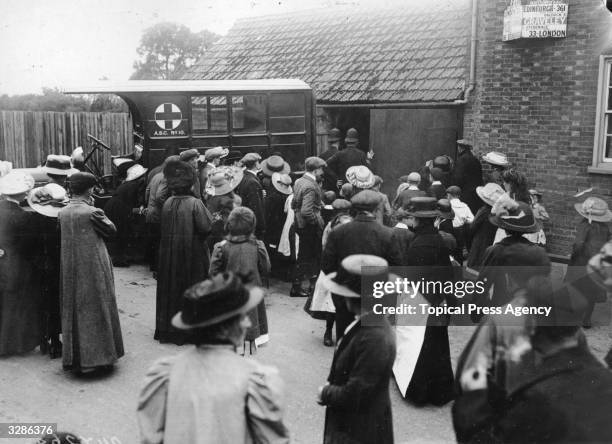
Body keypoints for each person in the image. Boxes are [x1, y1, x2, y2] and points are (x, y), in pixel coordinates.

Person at [138, 273, 290, 444]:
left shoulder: (164, 374)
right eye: (242, 317)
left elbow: (151, 438)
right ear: (226, 328)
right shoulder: (254, 380)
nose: (247, 323)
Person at [318, 255, 396, 444]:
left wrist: (326, 393)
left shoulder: (373, 337)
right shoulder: (367, 322)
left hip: (359, 431)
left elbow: (357, 392)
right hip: (356, 424)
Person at [59, 172, 124, 372]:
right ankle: (100, 357)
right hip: (93, 264)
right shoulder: (92, 212)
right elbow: (112, 231)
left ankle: (77, 357)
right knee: (97, 304)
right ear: (89, 189)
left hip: (70, 265)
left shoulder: (63, 212)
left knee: (75, 306)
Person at [394, 196, 455, 406]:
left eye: (412, 218)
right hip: (436, 300)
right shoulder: (438, 240)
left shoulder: (419, 244)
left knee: (419, 345)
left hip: (422, 301)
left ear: (418, 220)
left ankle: (418, 391)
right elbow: (447, 274)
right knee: (436, 345)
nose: (410, 221)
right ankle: (439, 392)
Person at [321, 190, 402, 340]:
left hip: (344, 295)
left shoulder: (339, 232)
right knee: (371, 342)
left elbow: (327, 265)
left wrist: (341, 284)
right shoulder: (387, 234)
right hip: (375, 296)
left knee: (344, 338)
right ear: (377, 209)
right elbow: (396, 269)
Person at [155, 160, 212, 344]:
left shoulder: (168, 203)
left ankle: (169, 329)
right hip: (192, 254)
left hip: (169, 253)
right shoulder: (195, 203)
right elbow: (205, 227)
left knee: (172, 289)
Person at [210, 207, 271, 350]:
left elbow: (213, 273)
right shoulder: (258, 246)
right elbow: (266, 268)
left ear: (230, 225)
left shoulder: (221, 247)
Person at [474, 197, 541, 322]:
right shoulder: (537, 251)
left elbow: (483, 283)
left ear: (503, 227)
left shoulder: (494, 251)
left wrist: (477, 310)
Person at [0, 171, 43, 356]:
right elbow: (30, 246)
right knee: (16, 303)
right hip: (17, 263)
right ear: (23, 194)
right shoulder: (25, 217)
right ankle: (12, 344)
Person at [28, 183, 69, 359]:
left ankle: (45, 337)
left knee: (43, 302)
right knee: (56, 302)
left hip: (39, 266)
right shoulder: (60, 221)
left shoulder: (32, 220)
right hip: (58, 265)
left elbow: (28, 246)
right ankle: (56, 340)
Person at [307, 198, 353, 347]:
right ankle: (332, 333)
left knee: (331, 302)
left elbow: (324, 245)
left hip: (335, 267)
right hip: (338, 267)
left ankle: (329, 332)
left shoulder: (330, 225)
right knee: (335, 302)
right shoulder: (338, 225)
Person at [564, 196, 612, 327]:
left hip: (582, 261)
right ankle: (587, 320)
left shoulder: (585, 225)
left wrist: (573, 255)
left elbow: (579, 244)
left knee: (577, 289)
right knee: (592, 292)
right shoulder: (605, 228)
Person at [291, 156, 326, 297]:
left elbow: (294, 203)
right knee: (310, 257)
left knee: (303, 256)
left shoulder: (299, 181)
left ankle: (298, 286)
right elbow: (306, 211)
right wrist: (316, 220)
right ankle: (299, 288)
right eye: (321, 169)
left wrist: (318, 204)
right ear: (316, 170)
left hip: (299, 223)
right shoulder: (311, 185)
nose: (322, 172)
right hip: (309, 226)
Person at [104, 163, 147, 267]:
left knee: (121, 232)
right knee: (122, 232)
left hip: (115, 207)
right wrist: (140, 211)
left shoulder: (128, 185)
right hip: (119, 209)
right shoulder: (134, 186)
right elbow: (131, 205)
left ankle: (120, 257)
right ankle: (119, 259)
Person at [145, 155, 180, 273]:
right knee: (160, 241)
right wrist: (169, 207)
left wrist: (150, 205)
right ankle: (158, 267)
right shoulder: (165, 177)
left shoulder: (156, 175)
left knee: (153, 241)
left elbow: (147, 191)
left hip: (150, 212)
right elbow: (160, 196)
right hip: (159, 214)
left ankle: (153, 266)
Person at [466, 183, 505, 271]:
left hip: (480, 243)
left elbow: (472, 227)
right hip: (494, 243)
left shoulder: (484, 211)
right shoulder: (500, 213)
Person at [204, 166, 243, 251]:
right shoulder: (226, 201)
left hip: (212, 236)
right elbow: (228, 223)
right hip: (224, 239)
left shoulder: (211, 197)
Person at [235, 152, 266, 239]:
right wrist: (262, 227)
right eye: (258, 162)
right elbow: (257, 207)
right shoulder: (252, 182)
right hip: (253, 224)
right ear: (256, 164)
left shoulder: (244, 176)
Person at [451, 139, 483, 214]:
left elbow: (457, 179)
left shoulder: (461, 160)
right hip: (476, 194)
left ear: (461, 148)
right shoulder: (476, 160)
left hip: (464, 195)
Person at [446, 185, 474, 261]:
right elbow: (472, 219)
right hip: (460, 231)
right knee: (459, 251)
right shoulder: (464, 206)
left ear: (449, 195)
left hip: (449, 231)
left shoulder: (447, 205)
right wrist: (464, 220)